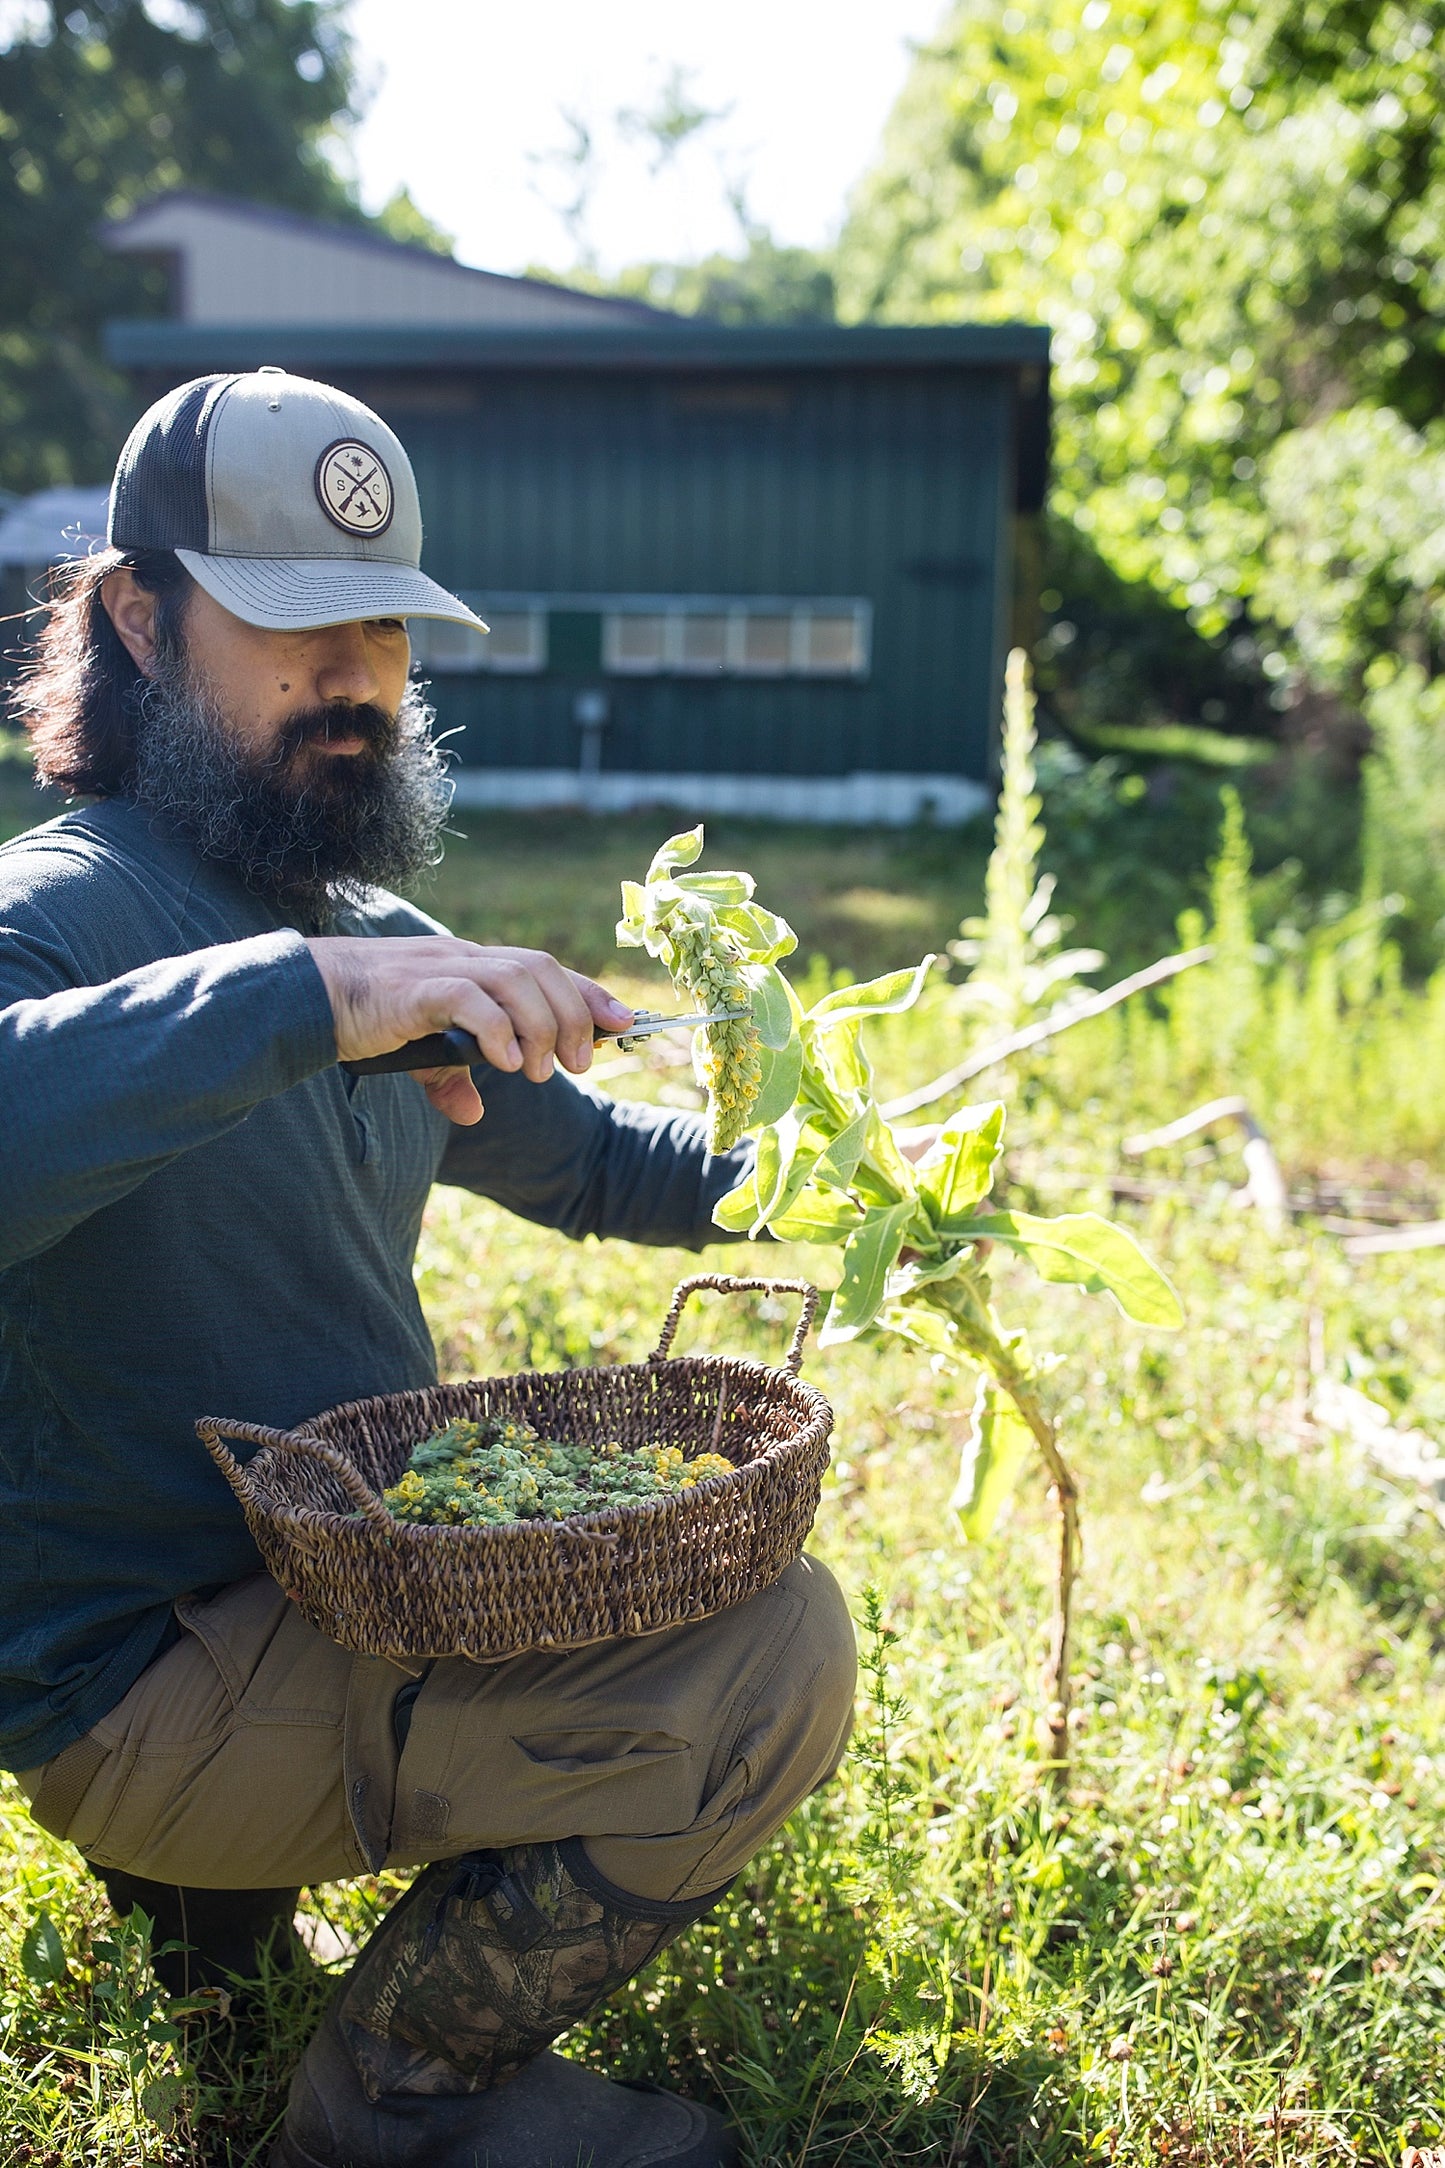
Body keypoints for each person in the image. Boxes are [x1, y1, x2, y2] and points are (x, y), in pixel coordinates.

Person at [0, 368, 857, 2168]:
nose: (354, 676)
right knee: (776, 1651)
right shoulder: (54, 918)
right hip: (138, 1686)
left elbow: (601, 1162)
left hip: (344, 1599)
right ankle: (389, 2109)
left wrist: (839, 1175)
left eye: (382, 623)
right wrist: (306, 1001)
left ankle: (222, 1939)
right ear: (142, 621)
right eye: (292, 620)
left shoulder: (376, 939)